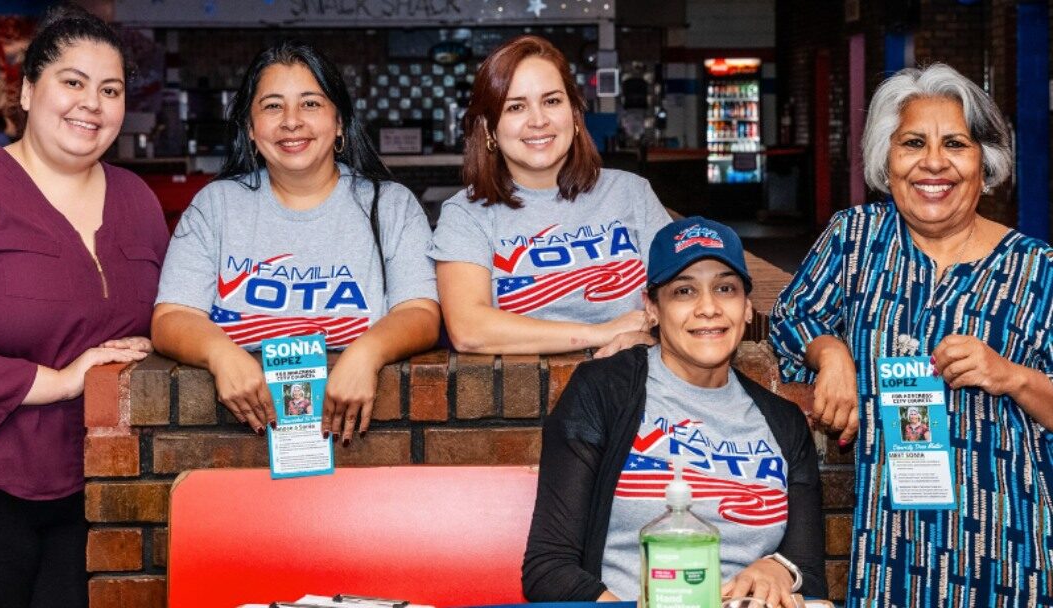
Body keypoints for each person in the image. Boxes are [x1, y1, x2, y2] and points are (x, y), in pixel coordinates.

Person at [770, 63, 1053, 606]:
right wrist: (831, 354)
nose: (933, 163)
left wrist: (1012, 376)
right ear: (887, 159)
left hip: (1010, 550)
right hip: (890, 550)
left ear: (985, 163)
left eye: (956, 144)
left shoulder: (1036, 269)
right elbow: (790, 317)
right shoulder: (855, 240)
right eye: (913, 143)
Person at [524, 217, 826, 608]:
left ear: (747, 308)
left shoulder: (782, 422)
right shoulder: (605, 390)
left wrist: (778, 568)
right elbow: (548, 569)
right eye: (684, 291)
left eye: (725, 288)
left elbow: (810, 573)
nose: (708, 308)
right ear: (652, 307)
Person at [0, 6, 169, 607]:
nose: (92, 103)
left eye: (109, 90)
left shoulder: (138, 200)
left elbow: (178, 313)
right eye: (73, 82)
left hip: (110, 491)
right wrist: (57, 382)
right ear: (29, 90)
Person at [152, 40, 439, 445]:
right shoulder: (216, 206)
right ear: (250, 129)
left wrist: (367, 352)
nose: (291, 121)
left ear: (339, 121)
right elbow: (170, 319)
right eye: (272, 106)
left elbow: (422, 313)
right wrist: (221, 354)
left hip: (366, 444)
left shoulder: (389, 205)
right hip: (228, 443)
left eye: (310, 103)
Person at [428, 35, 672, 357]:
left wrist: (652, 334)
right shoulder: (466, 214)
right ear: (489, 128)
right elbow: (470, 330)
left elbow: (684, 292)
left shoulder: (631, 193)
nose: (538, 120)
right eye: (516, 106)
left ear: (573, 112)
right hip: (520, 401)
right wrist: (600, 334)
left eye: (552, 101)